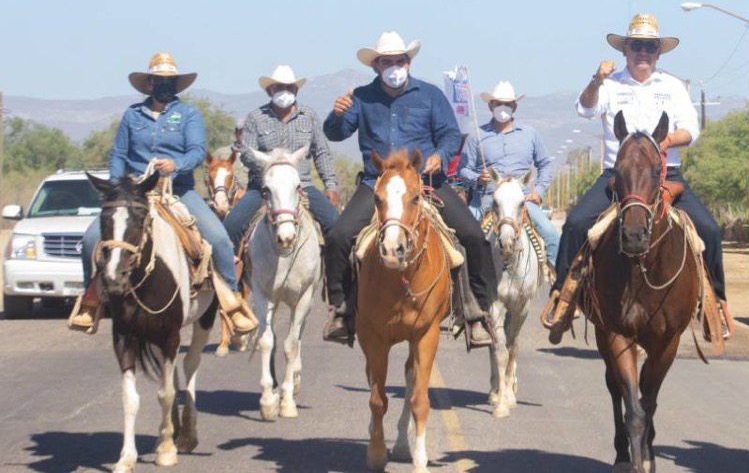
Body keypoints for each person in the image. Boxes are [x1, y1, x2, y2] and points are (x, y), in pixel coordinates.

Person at [545, 13, 729, 333]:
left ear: (658, 52)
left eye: (649, 47)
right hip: (619, 177)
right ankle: (564, 296)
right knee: (575, 224)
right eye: (636, 46)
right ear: (625, 50)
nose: (642, 53)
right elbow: (585, 109)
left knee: (709, 232)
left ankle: (716, 306)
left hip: (666, 174)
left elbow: (691, 131)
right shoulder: (610, 85)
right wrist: (596, 79)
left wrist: (665, 141)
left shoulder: (672, 86)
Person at [321, 32, 497, 347]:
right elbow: (336, 134)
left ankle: (479, 312)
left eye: (399, 60)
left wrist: (439, 157)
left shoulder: (429, 95)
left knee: (473, 235)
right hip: (378, 183)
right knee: (337, 236)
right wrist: (336, 115)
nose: (394, 66)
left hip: (425, 183)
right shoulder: (360, 98)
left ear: (409, 62)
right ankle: (341, 310)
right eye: (386, 62)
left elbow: (449, 135)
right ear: (375, 66)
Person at [71, 53, 257, 335]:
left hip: (178, 190)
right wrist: (116, 188)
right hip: (135, 191)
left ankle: (232, 302)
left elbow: (196, 152)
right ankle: (90, 301)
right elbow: (119, 154)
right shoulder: (132, 115)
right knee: (90, 239)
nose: (164, 85)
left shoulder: (189, 115)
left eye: (169, 81)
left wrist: (176, 164)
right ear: (149, 83)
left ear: (177, 85)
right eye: (159, 80)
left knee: (219, 239)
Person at [223, 65, 342, 253]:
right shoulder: (256, 117)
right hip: (262, 187)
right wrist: (273, 166)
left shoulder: (309, 116)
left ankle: (333, 278)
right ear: (269, 90)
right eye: (279, 87)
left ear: (296, 89)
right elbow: (246, 153)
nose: (284, 92)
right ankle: (231, 278)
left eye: (289, 87)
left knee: (336, 226)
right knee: (231, 226)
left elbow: (322, 152)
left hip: (302, 185)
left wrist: (330, 185)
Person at [457, 80, 559, 266]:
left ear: (515, 107)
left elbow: (545, 164)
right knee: (460, 240)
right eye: (498, 103)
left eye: (507, 104)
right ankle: (462, 288)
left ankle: (554, 283)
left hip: (522, 203)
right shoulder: (477, 136)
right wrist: (477, 178)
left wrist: (539, 190)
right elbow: (463, 169)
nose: (502, 107)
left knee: (552, 237)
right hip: (485, 201)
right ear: (490, 105)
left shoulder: (530, 134)